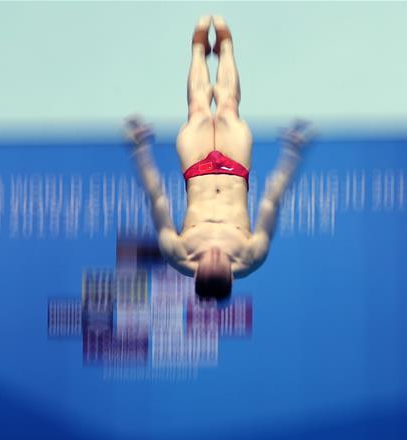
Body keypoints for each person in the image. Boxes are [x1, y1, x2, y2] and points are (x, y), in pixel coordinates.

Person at [127, 16, 314, 300]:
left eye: (209, 261)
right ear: (231, 276)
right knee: (227, 107)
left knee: (198, 109)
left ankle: (198, 50)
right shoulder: (251, 255)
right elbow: (271, 201)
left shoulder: (177, 253)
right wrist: (292, 154)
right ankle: (225, 48)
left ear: (196, 273)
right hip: (234, 169)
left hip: (197, 168)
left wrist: (140, 150)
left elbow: (157, 199)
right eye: (221, 262)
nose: (215, 254)